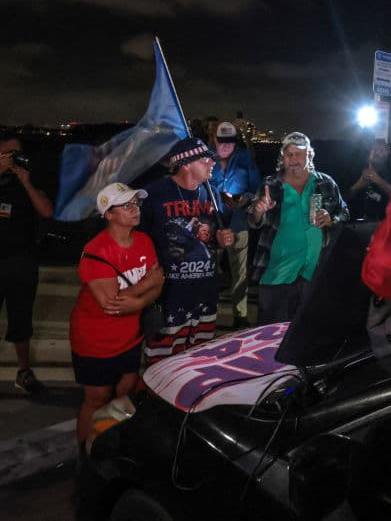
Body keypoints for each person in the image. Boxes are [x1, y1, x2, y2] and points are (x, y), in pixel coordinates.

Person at [71, 183, 164, 446]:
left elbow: (159, 284)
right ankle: (86, 452)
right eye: (126, 205)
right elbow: (112, 305)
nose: (135, 209)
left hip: (130, 336)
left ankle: (114, 443)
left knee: (125, 391)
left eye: (136, 203)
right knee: (97, 398)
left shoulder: (144, 241)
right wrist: (147, 286)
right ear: (109, 214)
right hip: (95, 340)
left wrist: (139, 298)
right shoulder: (97, 251)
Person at [138, 137, 234, 365]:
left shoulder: (212, 193)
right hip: (168, 296)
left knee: (198, 362)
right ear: (187, 163)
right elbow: (139, 240)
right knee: (162, 363)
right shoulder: (154, 194)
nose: (212, 163)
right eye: (205, 159)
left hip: (205, 294)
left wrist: (222, 239)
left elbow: (215, 235)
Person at [249, 132, 348, 325]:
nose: (293, 159)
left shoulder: (326, 182)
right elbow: (253, 221)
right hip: (276, 274)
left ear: (310, 154)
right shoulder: (271, 184)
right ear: (282, 157)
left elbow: (344, 212)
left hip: (314, 273)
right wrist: (258, 211)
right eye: (288, 154)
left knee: (308, 331)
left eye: (298, 153)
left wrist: (332, 218)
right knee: (271, 333)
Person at [0, 134, 53, 394]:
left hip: (21, 260)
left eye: (15, 153)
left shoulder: (29, 177)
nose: (12, 158)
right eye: (6, 153)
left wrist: (26, 183)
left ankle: (24, 371)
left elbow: (46, 211)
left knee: (21, 319)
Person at [208, 121, 261, 329]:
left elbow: (256, 188)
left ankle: (240, 315)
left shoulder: (245, 158)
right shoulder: (205, 159)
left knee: (239, 272)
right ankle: (208, 313)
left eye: (230, 141)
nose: (226, 145)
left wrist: (244, 199)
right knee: (208, 270)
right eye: (222, 140)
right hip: (210, 224)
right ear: (214, 139)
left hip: (238, 222)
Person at [346, 139, 391, 222]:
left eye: (381, 150)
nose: (377, 153)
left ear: (387, 153)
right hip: (355, 224)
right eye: (374, 149)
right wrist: (358, 185)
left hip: (383, 223)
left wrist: (379, 181)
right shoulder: (354, 171)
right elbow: (343, 199)